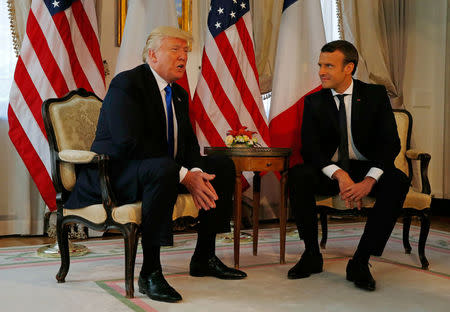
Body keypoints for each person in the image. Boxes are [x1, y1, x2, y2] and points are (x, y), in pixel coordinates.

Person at [65, 26, 246, 303]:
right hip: (116, 174)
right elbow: (128, 143)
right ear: (152, 55)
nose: (183, 57)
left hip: (157, 171)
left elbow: (187, 148)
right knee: (164, 170)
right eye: (175, 50)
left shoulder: (180, 95)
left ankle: (204, 257)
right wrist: (182, 174)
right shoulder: (127, 84)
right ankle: (150, 271)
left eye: (185, 51)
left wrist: (194, 171)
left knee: (221, 165)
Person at [287, 40, 409, 291]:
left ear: (348, 68)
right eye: (320, 65)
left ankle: (361, 261)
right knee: (298, 174)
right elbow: (309, 149)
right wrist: (340, 174)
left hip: (367, 168)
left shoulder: (375, 96)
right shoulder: (314, 102)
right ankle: (311, 254)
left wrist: (369, 181)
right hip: (331, 171)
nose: (321, 71)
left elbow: (391, 145)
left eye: (329, 65)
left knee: (397, 181)